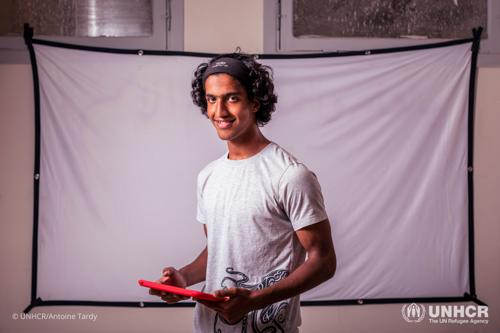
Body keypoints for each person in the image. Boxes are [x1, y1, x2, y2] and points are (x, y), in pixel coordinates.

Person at [149, 51, 337, 333]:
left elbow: (323, 261)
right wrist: (183, 278)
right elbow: (219, 250)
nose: (219, 111)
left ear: (255, 102)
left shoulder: (290, 175)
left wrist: (255, 299)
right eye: (212, 99)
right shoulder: (208, 176)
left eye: (232, 98)